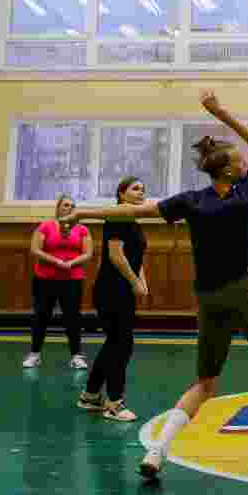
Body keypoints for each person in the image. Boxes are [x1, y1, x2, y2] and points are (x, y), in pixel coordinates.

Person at [65, 90, 248, 478]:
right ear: (233, 171)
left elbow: (135, 210)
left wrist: (84, 210)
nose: (245, 159)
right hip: (240, 289)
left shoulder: (192, 200)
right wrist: (219, 111)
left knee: (205, 383)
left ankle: (157, 451)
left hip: (206, 296)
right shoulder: (246, 193)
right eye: (239, 159)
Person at [76, 177, 149, 422]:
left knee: (116, 343)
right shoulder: (117, 215)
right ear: (121, 193)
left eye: (143, 189)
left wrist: (142, 282)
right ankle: (114, 404)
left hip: (124, 290)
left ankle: (90, 395)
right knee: (121, 345)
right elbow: (116, 256)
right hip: (111, 290)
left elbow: (136, 257)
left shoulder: (133, 220)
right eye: (135, 188)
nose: (141, 193)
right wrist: (134, 282)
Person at [24, 194, 92, 369]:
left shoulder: (82, 229)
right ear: (58, 208)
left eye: (72, 206)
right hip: (45, 279)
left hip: (72, 280)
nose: (69, 208)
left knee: (72, 318)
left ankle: (76, 356)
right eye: (66, 205)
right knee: (41, 316)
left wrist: (71, 263)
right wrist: (55, 261)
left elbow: (87, 254)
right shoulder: (45, 226)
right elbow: (35, 250)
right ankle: (34, 354)